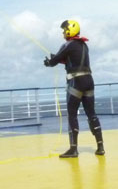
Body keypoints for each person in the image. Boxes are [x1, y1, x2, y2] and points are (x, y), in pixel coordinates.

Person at [43, 19, 105, 158]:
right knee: (91, 114)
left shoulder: (68, 44)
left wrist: (49, 62)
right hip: (89, 81)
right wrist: (59, 59)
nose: (63, 33)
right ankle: (100, 147)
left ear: (70, 30)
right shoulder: (84, 46)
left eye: (64, 30)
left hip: (76, 82)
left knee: (72, 114)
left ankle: (73, 149)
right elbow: (71, 59)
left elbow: (54, 61)